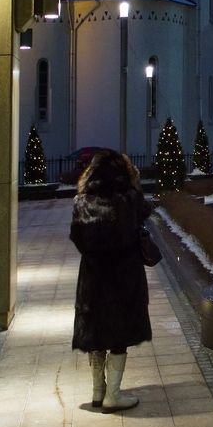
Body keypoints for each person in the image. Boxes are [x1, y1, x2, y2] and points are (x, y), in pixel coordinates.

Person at [70, 149, 152, 413]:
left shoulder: (82, 201)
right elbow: (145, 211)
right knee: (120, 331)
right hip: (124, 277)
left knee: (96, 330)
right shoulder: (129, 199)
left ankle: (98, 392)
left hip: (93, 277)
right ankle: (113, 396)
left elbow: (77, 236)